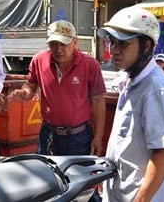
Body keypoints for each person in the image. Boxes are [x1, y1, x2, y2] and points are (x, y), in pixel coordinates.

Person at [97, 6, 164, 201]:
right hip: (121, 192)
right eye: (112, 43)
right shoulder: (131, 80)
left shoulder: (156, 88)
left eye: (124, 44)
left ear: (147, 47)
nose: (114, 51)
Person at [9, 20, 106, 157]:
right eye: (53, 44)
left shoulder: (90, 65)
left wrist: (98, 137)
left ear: (75, 42)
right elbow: (31, 84)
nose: (58, 49)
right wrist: (25, 93)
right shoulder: (39, 60)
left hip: (79, 135)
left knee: (76, 176)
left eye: (63, 44)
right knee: (47, 175)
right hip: (48, 133)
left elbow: (98, 101)